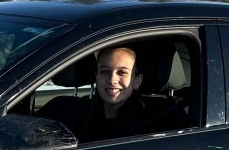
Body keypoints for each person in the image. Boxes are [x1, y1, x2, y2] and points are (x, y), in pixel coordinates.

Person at [38, 45, 181, 143]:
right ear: (97, 77)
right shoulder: (66, 111)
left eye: (122, 72)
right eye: (105, 71)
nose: (112, 80)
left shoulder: (160, 121)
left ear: (137, 81)